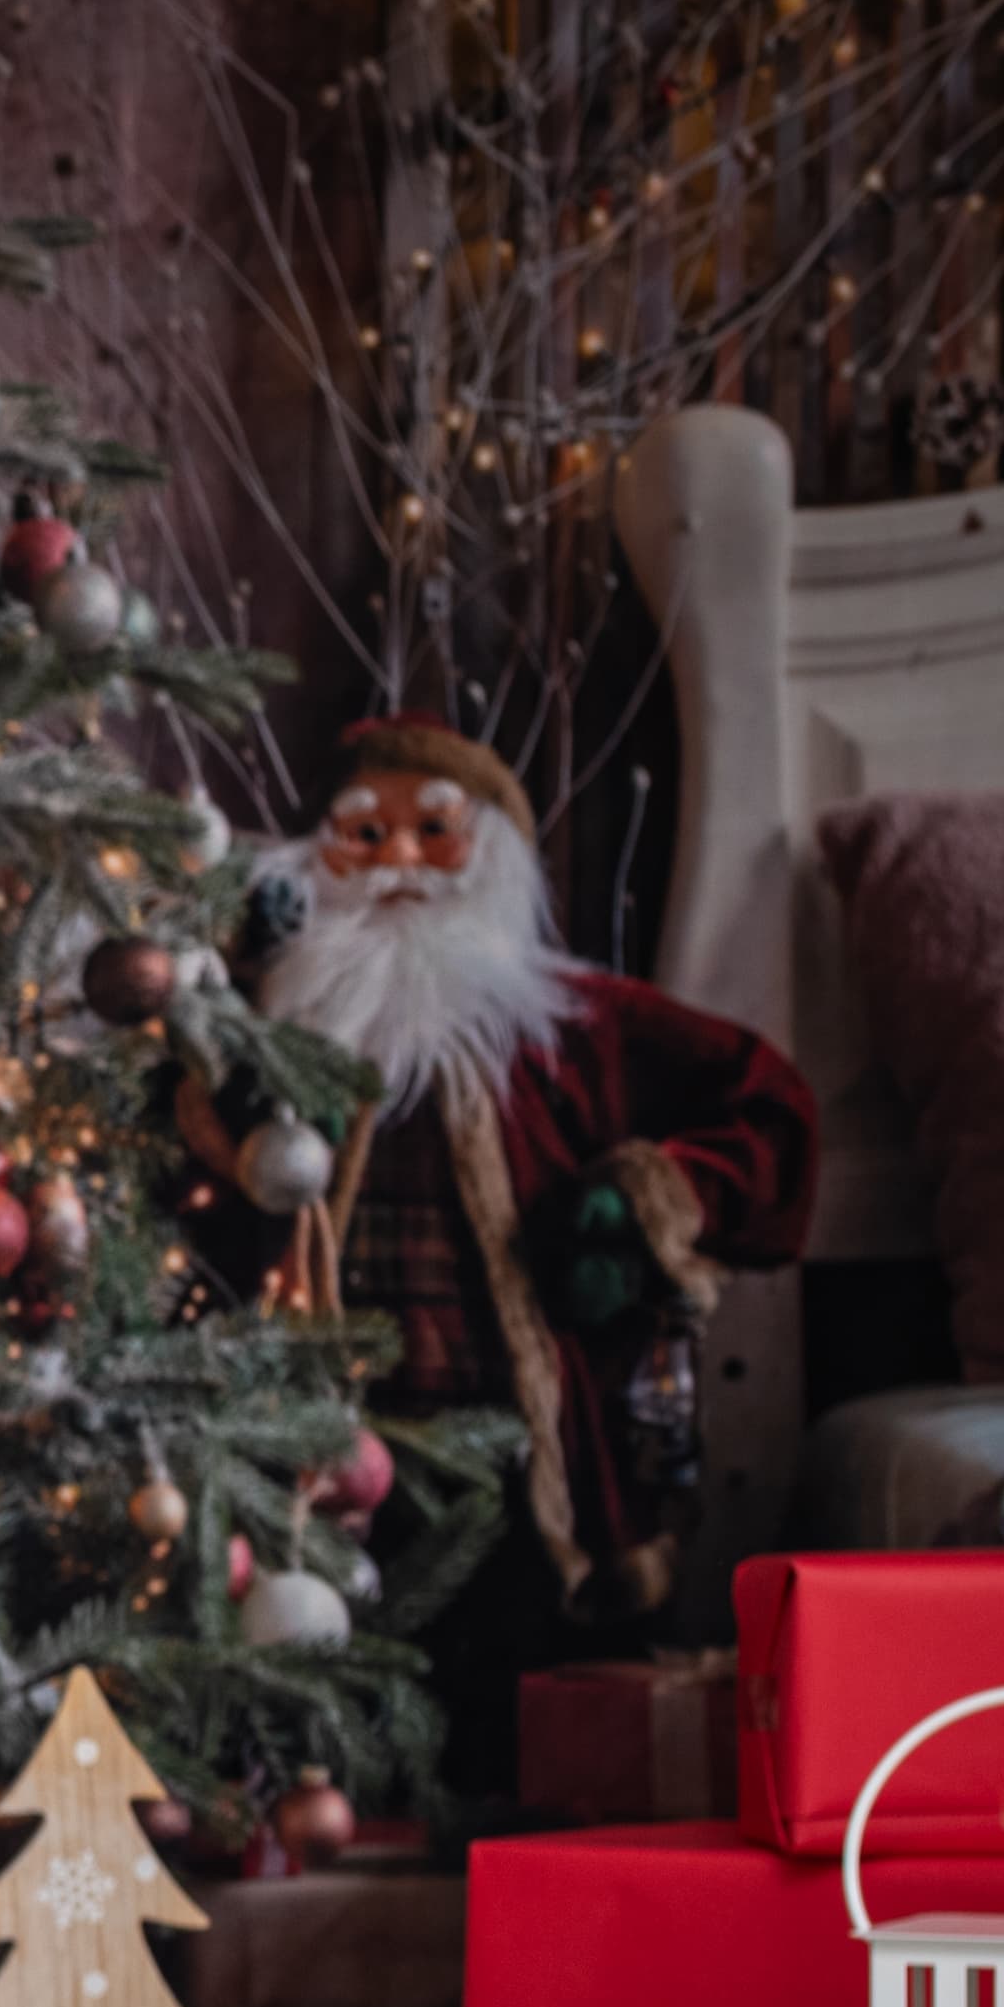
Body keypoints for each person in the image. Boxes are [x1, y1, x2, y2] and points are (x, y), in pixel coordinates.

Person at [183, 716, 812, 1776]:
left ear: (495, 865)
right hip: (307, 1457)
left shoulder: (575, 1029)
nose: (395, 863)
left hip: (523, 1461)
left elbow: (771, 1106)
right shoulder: (265, 1033)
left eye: (435, 834)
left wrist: (649, 1203)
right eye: (363, 833)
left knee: (520, 1714)